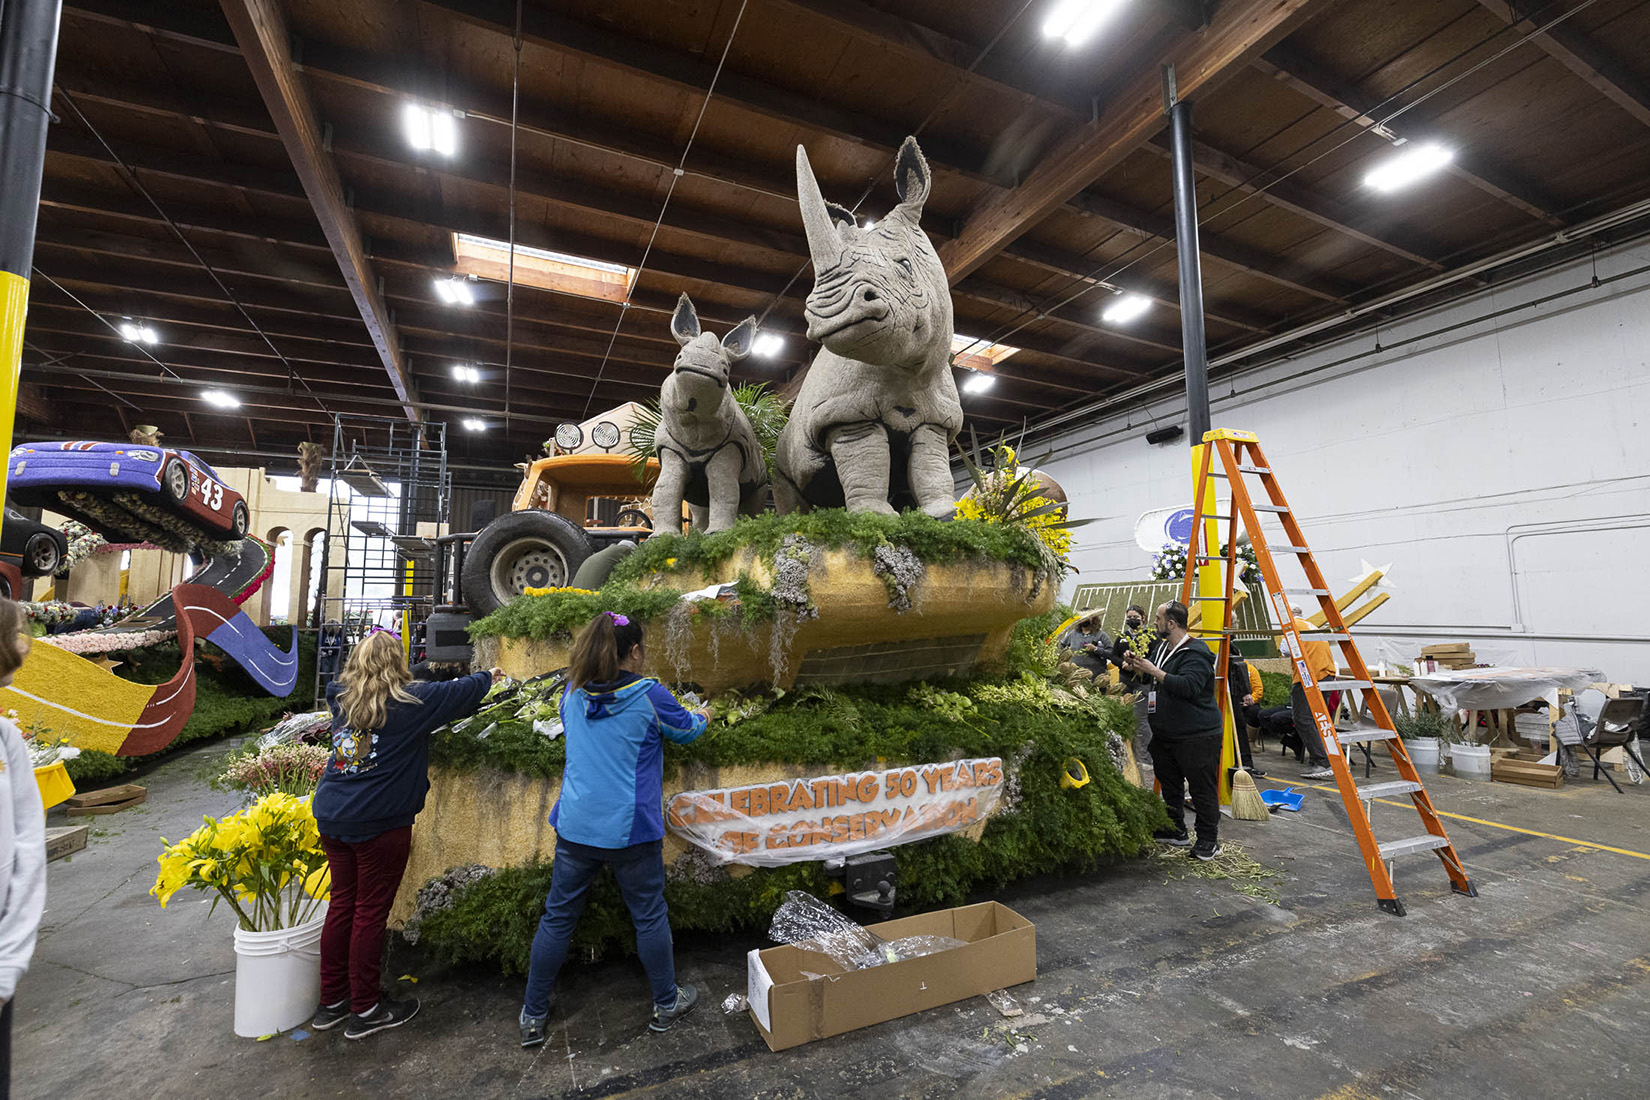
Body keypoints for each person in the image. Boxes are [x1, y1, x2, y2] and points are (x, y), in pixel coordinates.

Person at [519, 612, 710, 1046]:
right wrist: (708, 715)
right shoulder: (651, 695)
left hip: (575, 827)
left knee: (558, 917)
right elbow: (687, 731)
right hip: (631, 832)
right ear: (636, 651)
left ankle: (532, 1014)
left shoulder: (572, 691)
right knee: (648, 914)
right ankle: (666, 1002)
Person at [310, 628, 500, 1040]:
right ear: (398, 667)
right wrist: (491, 675)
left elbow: (379, 681)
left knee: (343, 904)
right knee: (369, 912)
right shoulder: (412, 703)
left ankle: (332, 1002)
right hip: (379, 822)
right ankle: (366, 1009)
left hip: (332, 815)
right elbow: (466, 690)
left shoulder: (340, 698)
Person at [1122, 601, 1224, 861]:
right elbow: (1153, 678)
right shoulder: (1161, 648)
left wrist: (1153, 670)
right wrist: (1138, 667)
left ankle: (1208, 840)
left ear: (1172, 623)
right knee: (1170, 785)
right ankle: (1175, 828)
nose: (1153, 622)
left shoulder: (1197, 652)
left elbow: (1188, 686)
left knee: (1201, 789)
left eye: (1157, 618)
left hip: (1196, 735)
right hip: (1167, 734)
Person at [0, 601, 45, 1095]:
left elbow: (28, 846)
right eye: (16, 634)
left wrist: (7, 965)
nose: (25, 645)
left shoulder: (6, 736)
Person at [1283, 605, 1340, 780]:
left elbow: (1285, 650)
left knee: (1302, 718)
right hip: (1326, 674)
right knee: (1319, 719)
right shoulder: (1310, 625)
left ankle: (1322, 761)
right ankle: (1328, 759)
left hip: (1308, 676)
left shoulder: (1291, 626)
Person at [1112, 605, 1156, 749]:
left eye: (1135, 617)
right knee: (1125, 713)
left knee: (1141, 718)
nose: (1132, 620)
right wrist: (1122, 663)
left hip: (1143, 682)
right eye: (1129, 617)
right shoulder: (1123, 637)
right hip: (1124, 680)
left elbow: (1154, 659)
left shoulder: (1150, 636)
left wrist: (1137, 665)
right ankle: (1130, 749)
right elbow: (1113, 656)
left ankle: (1146, 754)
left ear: (1143, 617)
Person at [1227, 649, 1265, 777]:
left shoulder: (1248, 669)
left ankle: (1247, 760)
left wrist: (1250, 699)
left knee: (1248, 718)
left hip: (1244, 704)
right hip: (1229, 703)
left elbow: (1258, 690)